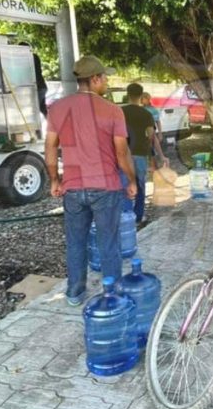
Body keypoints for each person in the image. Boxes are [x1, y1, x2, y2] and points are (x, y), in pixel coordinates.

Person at [45, 55, 137, 306]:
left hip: (73, 188)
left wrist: (54, 180)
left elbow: (50, 148)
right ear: (95, 79)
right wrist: (131, 180)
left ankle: (75, 294)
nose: (107, 81)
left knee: (76, 242)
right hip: (106, 188)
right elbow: (121, 152)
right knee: (109, 242)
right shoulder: (113, 110)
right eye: (105, 77)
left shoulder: (57, 109)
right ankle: (113, 294)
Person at [119, 82, 166, 224]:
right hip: (140, 153)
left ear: (127, 94)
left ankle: (126, 215)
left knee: (124, 184)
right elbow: (152, 137)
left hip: (122, 154)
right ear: (141, 95)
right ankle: (138, 216)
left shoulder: (119, 112)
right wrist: (161, 155)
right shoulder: (146, 114)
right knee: (139, 185)